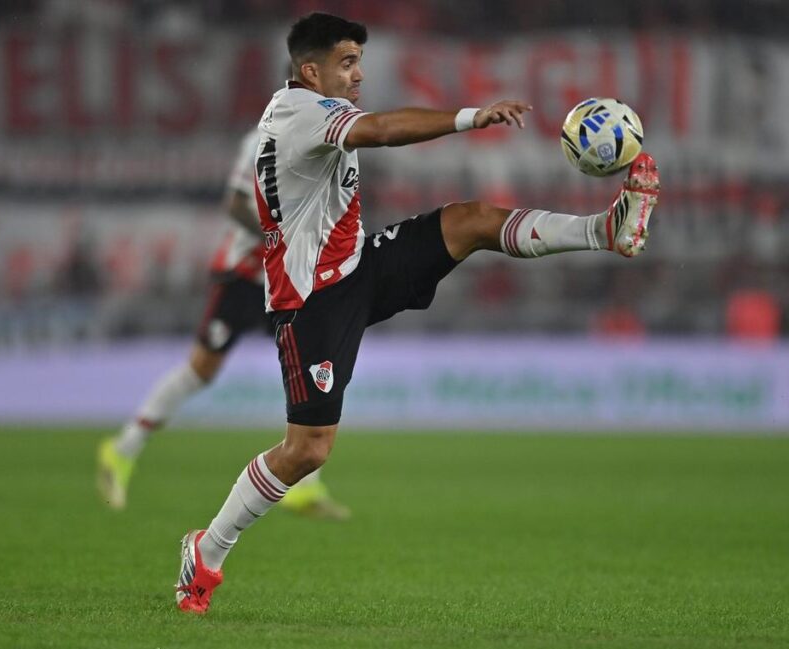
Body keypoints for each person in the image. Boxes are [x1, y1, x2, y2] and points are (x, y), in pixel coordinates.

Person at [174, 13, 660, 613]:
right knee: (308, 450)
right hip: (309, 301)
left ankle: (604, 229)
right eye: (346, 62)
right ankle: (209, 548)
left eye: (358, 61)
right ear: (310, 71)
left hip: (357, 267)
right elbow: (379, 130)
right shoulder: (298, 110)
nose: (358, 73)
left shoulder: (312, 111)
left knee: (471, 220)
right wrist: (468, 118)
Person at [97, 128, 350, 520]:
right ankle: (123, 449)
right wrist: (278, 238)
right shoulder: (264, 138)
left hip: (285, 280)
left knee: (304, 368)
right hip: (242, 276)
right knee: (201, 370)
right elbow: (234, 204)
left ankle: (302, 486)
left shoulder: (326, 142)